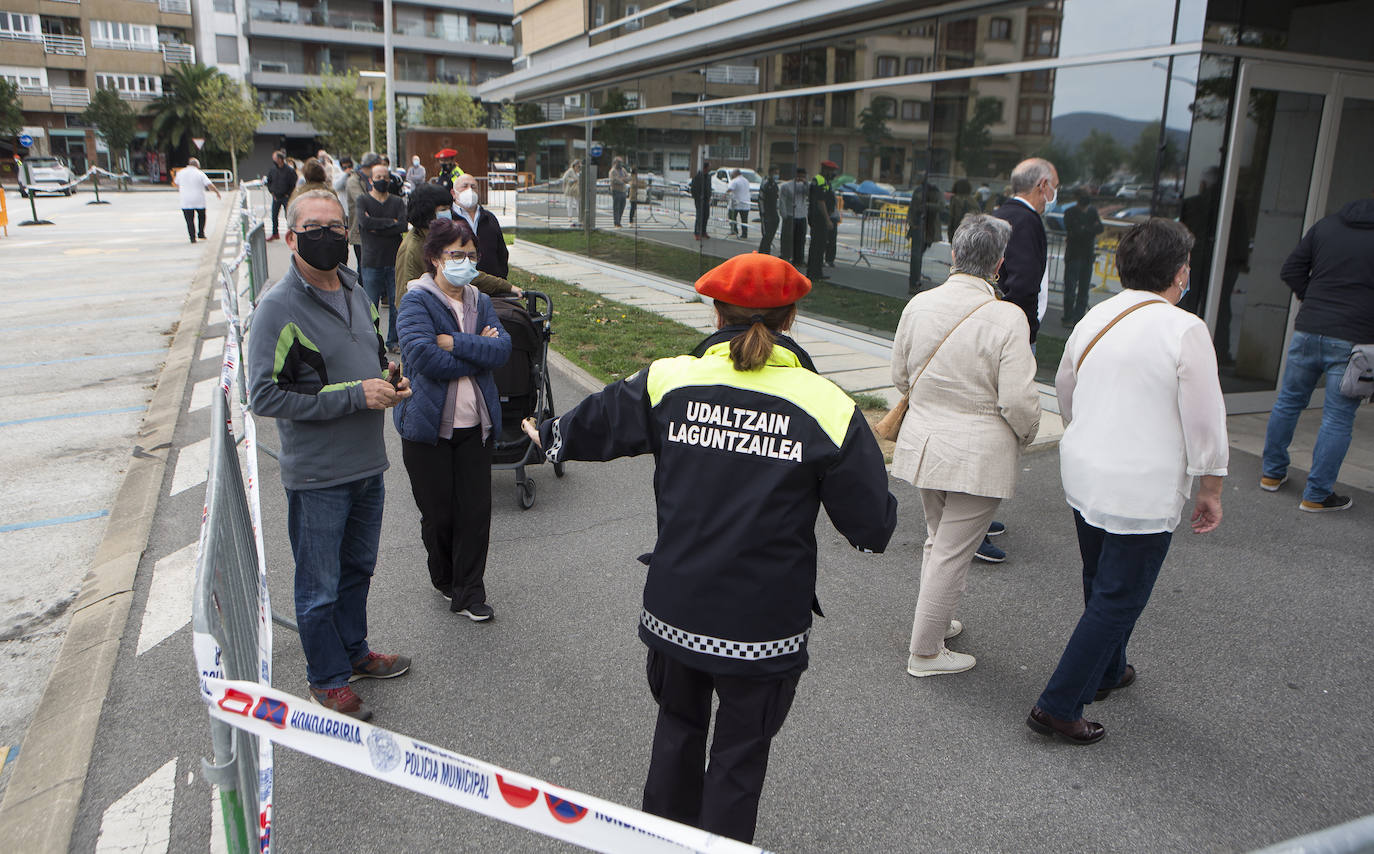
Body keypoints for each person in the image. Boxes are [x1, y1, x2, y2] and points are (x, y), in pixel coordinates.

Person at [521, 253, 896, 844]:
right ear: (791, 318)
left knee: (676, 733)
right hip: (764, 623)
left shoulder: (670, 378)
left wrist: (547, 435)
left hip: (678, 610)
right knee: (739, 760)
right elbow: (872, 526)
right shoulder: (828, 406)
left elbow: (586, 427)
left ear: (716, 311)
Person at [1028, 218, 1227, 745]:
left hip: (1087, 468)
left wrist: (1088, 432)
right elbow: (1205, 419)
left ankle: (1109, 669)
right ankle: (1058, 705)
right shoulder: (1185, 330)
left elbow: (1066, 388)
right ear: (1180, 272)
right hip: (1143, 483)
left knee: (1101, 579)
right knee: (1119, 595)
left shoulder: (1096, 316)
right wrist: (1211, 487)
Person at [245, 189, 413, 721]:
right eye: (315, 227)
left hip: (368, 464)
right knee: (317, 585)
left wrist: (388, 379)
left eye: (338, 226)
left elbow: (367, 355)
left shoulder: (355, 286)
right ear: (291, 236)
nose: (330, 236)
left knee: (358, 569)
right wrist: (354, 395)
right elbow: (264, 395)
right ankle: (326, 677)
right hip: (318, 475)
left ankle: (355, 652)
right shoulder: (276, 307)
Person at [891, 215, 1040, 677]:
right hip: (978, 451)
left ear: (954, 255)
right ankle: (926, 652)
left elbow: (900, 376)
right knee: (952, 550)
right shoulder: (1007, 316)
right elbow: (1018, 399)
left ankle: (934, 625)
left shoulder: (919, 304)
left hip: (925, 441)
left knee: (940, 542)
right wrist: (1028, 431)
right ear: (998, 264)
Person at [394, 217, 511, 621]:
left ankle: (469, 592)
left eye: (471, 255)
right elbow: (424, 359)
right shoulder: (415, 301)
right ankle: (444, 577)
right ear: (434, 258)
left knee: (476, 514)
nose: (465, 262)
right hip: (427, 430)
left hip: (475, 428)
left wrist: (456, 342)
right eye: (456, 254)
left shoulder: (480, 300)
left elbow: (502, 351)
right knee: (440, 514)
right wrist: (477, 352)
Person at [1260, 192, 1374, 512]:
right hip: (1354, 341)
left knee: (1288, 401)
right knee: (1338, 418)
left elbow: (1291, 269)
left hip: (1309, 330)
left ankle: (1271, 474)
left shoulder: (1326, 227)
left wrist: (1315, 300)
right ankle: (1316, 494)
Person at [397, 184, 521, 309]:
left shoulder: (432, 237)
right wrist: (503, 286)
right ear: (427, 212)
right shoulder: (415, 248)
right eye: (443, 209)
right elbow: (407, 295)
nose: (448, 213)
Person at [991, 157, 1058, 344]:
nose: (1055, 194)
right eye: (1055, 186)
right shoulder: (1027, 222)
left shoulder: (999, 214)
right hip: (1014, 334)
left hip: (993, 323)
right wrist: (1027, 333)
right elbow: (1023, 284)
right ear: (1043, 185)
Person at [358, 161, 408, 352]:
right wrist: (391, 223)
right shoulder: (363, 200)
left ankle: (393, 341)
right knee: (371, 306)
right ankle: (373, 344)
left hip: (394, 261)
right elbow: (364, 222)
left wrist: (376, 225)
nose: (382, 180)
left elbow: (403, 226)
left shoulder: (397, 201)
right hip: (371, 261)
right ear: (371, 180)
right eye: (378, 177)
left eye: (386, 177)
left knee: (397, 305)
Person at [451, 172, 510, 279]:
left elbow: (502, 252)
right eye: (465, 186)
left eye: (473, 187)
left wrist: (501, 277)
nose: (470, 190)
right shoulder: (448, 219)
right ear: (453, 193)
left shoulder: (489, 218)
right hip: (458, 285)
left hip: (492, 285)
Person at [1060, 188, 1103, 325]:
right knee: (1070, 289)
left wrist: (1085, 229)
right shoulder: (1070, 212)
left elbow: (1099, 228)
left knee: (1084, 289)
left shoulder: (1092, 212)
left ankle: (1078, 316)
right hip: (1074, 255)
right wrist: (1089, 229)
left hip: (1087, 256)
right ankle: (1068, 316)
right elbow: (1076, 231)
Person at [174, 157, 221, 244]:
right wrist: (216, 192)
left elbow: (176, 183)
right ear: (197, 165)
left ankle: (192, 238)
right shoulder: (199, 173)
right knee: (202, 216)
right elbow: (209, 185)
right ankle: (201, 233)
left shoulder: (181, 172)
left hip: (186, 201)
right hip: (199, 199)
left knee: (189, 220)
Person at [907, 180, 943, 292]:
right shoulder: (919, 191)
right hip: (918, 227)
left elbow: (940, 206)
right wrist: (912, 222)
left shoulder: (936, 192)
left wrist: (925, 206)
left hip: (928, 228)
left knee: (918, 255)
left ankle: (915, 281)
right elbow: (912, 207)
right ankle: (914, 282)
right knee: (916, 256)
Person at [346, 153, 379, 270]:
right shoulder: (354, 181)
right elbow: (362, 201)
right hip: (360, 230)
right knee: (364, 267)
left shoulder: (374, 179)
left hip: (376, 229)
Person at [807, 160, 838, 280]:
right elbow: (821, 201)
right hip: (819, 218)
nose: (833, 173)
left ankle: (817, 272)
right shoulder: (819, 180)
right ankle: (813, 273)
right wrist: (827, 219)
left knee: (820, 246)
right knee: (817, 246)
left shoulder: (825, 181)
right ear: (826, 170)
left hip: (821, 218)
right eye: (831, 171)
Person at [265, 149, 296, 241]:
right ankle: (275, 233)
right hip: (276, 196)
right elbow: (269, 181)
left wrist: (288, 194)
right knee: (274, 216)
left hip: (286, 196)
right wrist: (272, 191)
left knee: (288, 216)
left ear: (280, 159)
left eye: (275, 158)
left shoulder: (289, 170)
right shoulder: (273, 169)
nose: (274, 160)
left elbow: (293, 183)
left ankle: (291, 235)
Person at [780, 168, 808, 265]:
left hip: (802, 215)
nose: (800, 178)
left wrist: (805, 183)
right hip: (790, 214)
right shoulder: (787, 186)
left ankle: (799, 258)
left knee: (800, 238)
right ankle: (786, 256)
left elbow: (809, 194)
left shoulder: (804, 187)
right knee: (788, 237)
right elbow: (782, 200)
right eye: (799, 176)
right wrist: (784, 214)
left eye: (803, 177)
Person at [946, 179, 979, 244]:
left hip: (959, 231)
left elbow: (953, 218)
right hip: (972, 232)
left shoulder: (955, 199)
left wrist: (950, 236)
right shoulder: (973, 200)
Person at [757, 167, 780, 255]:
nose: (777, 175)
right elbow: (761, 199)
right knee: (766, 235)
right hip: (766, 214)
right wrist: (763, 213)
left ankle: (767, 252)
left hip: (774, 213)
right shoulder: (765, 183)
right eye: (775, 173)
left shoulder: (775, 185)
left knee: (771, 235)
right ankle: (762, 253)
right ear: (771, 173)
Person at [689, 161, 711, 240]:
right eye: (708, 167)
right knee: (699, 216)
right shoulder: (698, 176)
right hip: (699, 200)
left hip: (706, 199)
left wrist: (709, 196)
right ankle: (697, 232)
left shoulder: (708, 177)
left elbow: (709, 187)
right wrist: (697, 197)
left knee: (706, 216)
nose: (709, 168)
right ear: (705, 168)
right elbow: (693, 188)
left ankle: (703, 232)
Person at [608, 157, 630, 228]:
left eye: (621, 162)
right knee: (616, 207)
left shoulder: (623, 170)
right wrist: (623, 180)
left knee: (622, 207)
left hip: (623, 191)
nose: (620, 164)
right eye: (619, 162)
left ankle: (619, 221)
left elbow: (629, 177)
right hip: (616, 190)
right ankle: (616, 222)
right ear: (615, 163)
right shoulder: (613, 171)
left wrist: (623, 179)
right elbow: (615, 180)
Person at [561, 160, 582, 225]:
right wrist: (572, 180)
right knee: (570, 202)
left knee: (578, 202)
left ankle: (580, 216)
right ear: (574, 165)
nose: (578, 168)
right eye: (577, 166)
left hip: (577, 189)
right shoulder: (570, 171)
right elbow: (564, 178)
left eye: (579, 166)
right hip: (571, 189)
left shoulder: (579, 172)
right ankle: (570, 216)